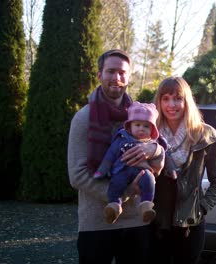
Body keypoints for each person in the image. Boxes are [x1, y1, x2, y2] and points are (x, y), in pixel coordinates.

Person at [68, 49, 163, 264]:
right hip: (97, 223)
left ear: (129, 77)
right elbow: (78, 175)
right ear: (99, 74)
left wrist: (155, 150)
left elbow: (159, 155)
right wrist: (125, 193)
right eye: (110, 71)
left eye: (122, 73)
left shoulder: (142, 116)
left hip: (137, 222)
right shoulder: (83, 119)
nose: (116, 78)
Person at [150, 76, 216, 264]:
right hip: (156, 225)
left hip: (190, 226)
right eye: (165, 98)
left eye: (177, 98)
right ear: (159, 101)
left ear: (186, 101)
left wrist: (202, 207)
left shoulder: (205, 134)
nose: (171, 104)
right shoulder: (150, 133)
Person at [93, 102, 163, 224]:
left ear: (152, 130)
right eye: (137, 125)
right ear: (130, 126)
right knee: (116, 184)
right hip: (122, 170)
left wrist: (169, 167)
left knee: (149, 180)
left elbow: (162, 158)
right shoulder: (122, 139)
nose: (141, 128)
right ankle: (114, 206)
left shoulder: (152, 144)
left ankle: (146, 205)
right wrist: (102, 170)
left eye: (146, 126)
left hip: (142, 171)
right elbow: (110, 155)